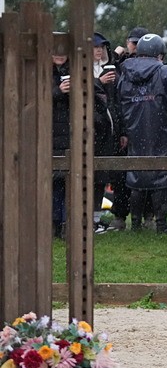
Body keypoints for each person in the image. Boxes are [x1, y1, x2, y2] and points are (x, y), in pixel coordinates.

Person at [116, 33, 167, 235]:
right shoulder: (164, 71)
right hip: (161, 129)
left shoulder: (126, 71)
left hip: (135, 130)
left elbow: (120, 98)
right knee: (161, 175)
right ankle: (161, 225)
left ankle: (136, 223)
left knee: (136, 175)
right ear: (160, 55)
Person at [51, 49, 112, 238]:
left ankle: (67, 224)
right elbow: (34, 99)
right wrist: (57, 92)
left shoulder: (79, 71)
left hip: (74, 135)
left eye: (63, 51)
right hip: (51, 135)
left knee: (74, 183)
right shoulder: (41, 73)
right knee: (54, 183)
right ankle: (55, 224)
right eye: (55, 51)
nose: (60, 54)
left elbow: (95, 102)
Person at [106, 26, 147, 230]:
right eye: (133, 43)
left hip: (143, 121)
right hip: (125, 120)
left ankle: (146, 215)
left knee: (147, 171)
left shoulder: (153, 64)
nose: (136, 47)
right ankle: (120, 214)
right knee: (120, 175)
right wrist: (115, 56)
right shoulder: (119, 64)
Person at [91, 33, 121, 233]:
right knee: (88, 176)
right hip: (90, 130)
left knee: (102, 176)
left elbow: (116, 102)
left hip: (109, 129)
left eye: (102, 47)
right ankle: (85, 219)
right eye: (95, 47)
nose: (99, 50)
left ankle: (96, 218)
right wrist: (99, 82)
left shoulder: (112, 67)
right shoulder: (79, 69)